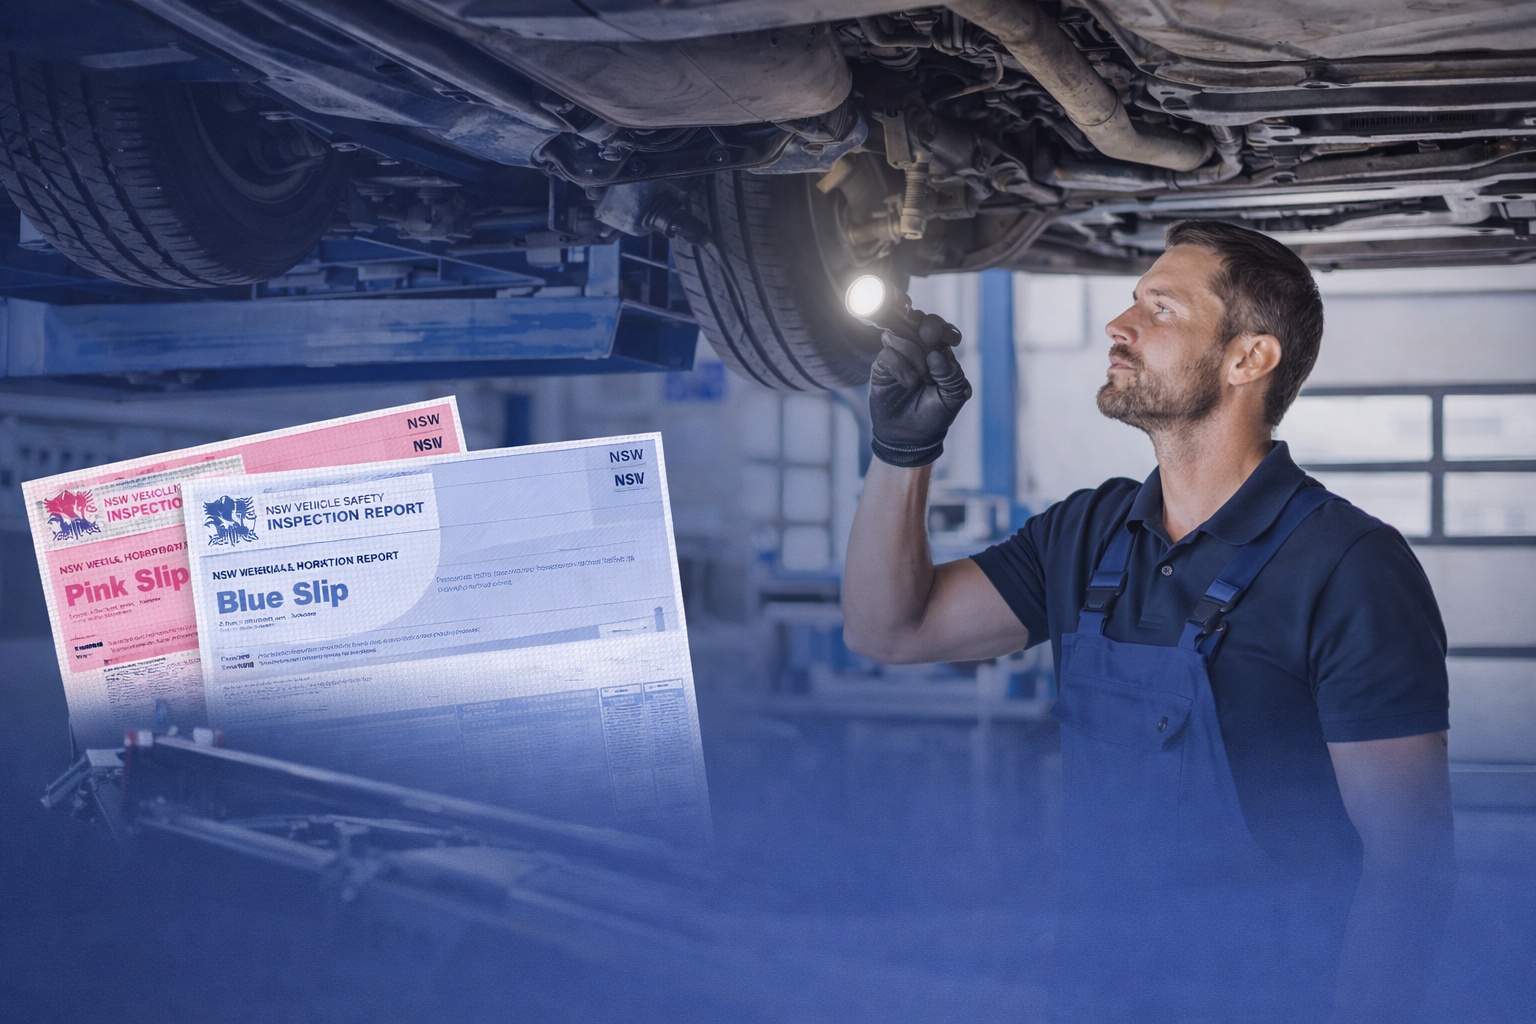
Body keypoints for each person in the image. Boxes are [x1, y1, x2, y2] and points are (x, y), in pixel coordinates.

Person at [842, 220, 1455, 1023]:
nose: (1118, 326)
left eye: (1160, 309)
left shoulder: (1349, 566)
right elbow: (891, 630)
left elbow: (1410, 864)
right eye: (1132, 301)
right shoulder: (1086, 532)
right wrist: (901, 450)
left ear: (1249, 358)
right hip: (1097, 994)